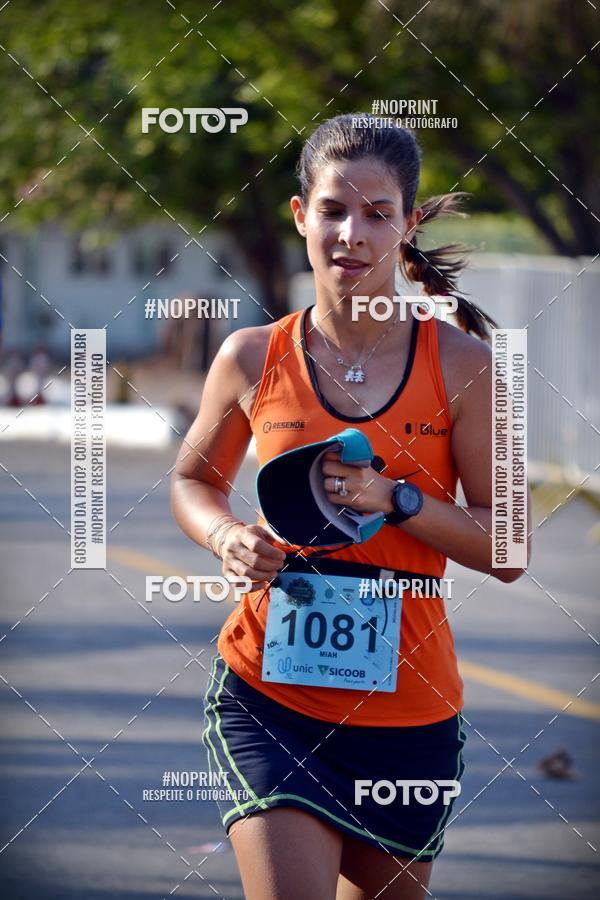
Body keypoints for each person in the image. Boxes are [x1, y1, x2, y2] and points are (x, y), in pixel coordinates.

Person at [171, 112, 532, 900]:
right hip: (271, 698)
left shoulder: (467, 367)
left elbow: (509, 549)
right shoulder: (250, 356)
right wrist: (227, 536)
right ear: (301, 215)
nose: (351, 234)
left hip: (408, 716)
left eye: (377, 214)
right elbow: (192, 481)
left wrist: (393, 498)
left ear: (408, 224)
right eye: (333, 210)